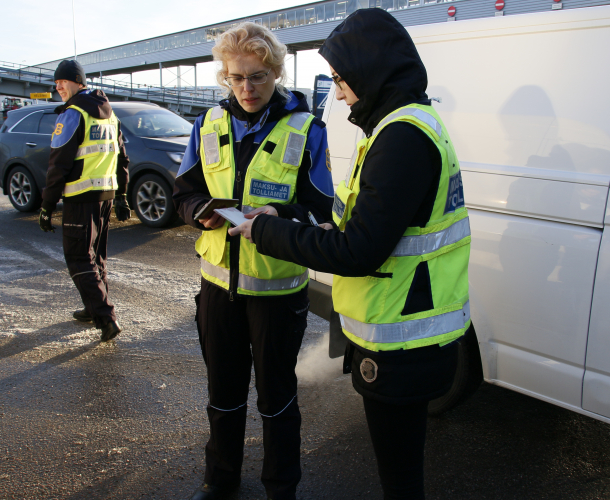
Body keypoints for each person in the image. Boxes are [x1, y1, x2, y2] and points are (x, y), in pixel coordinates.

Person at [229, 9, 471, 500]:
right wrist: (307, 220)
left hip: (401, 343)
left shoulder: (401, 136)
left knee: (400, 482)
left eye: (341, 80)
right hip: (411, 333)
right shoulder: (402, 125)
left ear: (368, 70)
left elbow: (358, 251)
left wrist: (269, 232)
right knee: (401, 474)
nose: (338, 93)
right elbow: (360, 225)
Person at [172, 22, 333, 500]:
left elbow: (326, 209)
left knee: (277, 399)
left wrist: (280, 213)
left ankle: (281, 486)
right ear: (225, 75)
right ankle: (219, 479)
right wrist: (197, 211)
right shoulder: (207, 124)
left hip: (278, 293)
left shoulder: (308, 130)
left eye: (258, 77)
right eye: (237, 78)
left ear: (277, 73)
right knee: (223, 393)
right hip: (217, 288)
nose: (246, 88)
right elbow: (184, 191)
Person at [39, 59, 131, 342]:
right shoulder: (108, 114)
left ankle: (105, 317)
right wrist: (122, 196)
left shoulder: (72, 114)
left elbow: (58, 165)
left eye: (62, 81)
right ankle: (94, 308)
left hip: (80, 198)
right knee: (95, 257)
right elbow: (122, 157)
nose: (58, 86)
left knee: (79, 257)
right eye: (55, 82)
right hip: (104, 196)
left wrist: (46, 205)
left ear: (78, 82)